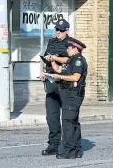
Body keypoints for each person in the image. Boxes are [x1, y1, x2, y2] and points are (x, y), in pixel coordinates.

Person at [50, 37, 87, 159]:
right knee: (73, 122)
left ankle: (69, 151)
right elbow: (60, 70)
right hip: (68, 94)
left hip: (73, 94)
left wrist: (59, 78)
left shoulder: (78, 61)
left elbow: (76, 77)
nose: (67, 49)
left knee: (68, 123)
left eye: (69, 47)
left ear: (75, 49)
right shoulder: (71, 60)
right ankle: (75, 149)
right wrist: (52, 61)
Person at [40, 19, 70, 156]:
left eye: (62, 30)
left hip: (65, 81)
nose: (59, 32)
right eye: (57, 29)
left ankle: (70, 145)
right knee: (52, 115)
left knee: (68, 116)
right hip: (51, 80)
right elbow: (46, 60)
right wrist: (43, 72)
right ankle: (53, 144)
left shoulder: (71, 44)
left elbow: (71, 60)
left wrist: (55, 58)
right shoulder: (51, 42)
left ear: (67, 31)